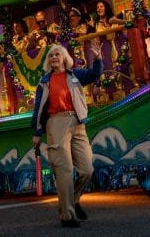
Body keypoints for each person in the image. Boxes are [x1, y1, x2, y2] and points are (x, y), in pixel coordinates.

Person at [31, 44, 102, 228]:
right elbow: (38, 109)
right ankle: (67, 215)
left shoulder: (75, 75)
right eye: (51, 55)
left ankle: (75, 200)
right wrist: (37, 133)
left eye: (57, 54)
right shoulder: (44, 81)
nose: (54, 57)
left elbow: (95, 74)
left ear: (64, 58)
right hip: (55, 123)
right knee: (64, 172)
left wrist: (98, 59)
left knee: (87, 169)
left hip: (78, 123)